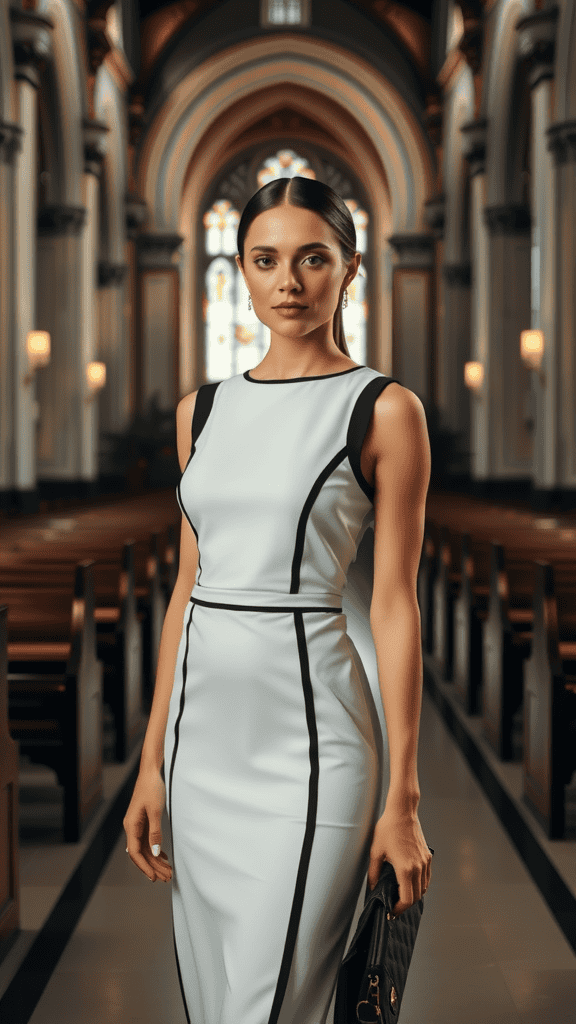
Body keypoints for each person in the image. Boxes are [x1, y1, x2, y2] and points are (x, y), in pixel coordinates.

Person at [123, 175, 432, 1024]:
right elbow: (186, 594)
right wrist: (152, 765)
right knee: (219, 1005)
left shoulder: (384, 410)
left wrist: (402, 803)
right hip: (202, 749)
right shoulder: (201, 411)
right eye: (266, 260)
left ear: (349, 269)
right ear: (242, 272)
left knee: (274, 1008)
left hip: (315, 740)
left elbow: (396, 607)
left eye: (312, 259)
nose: (288, 282)